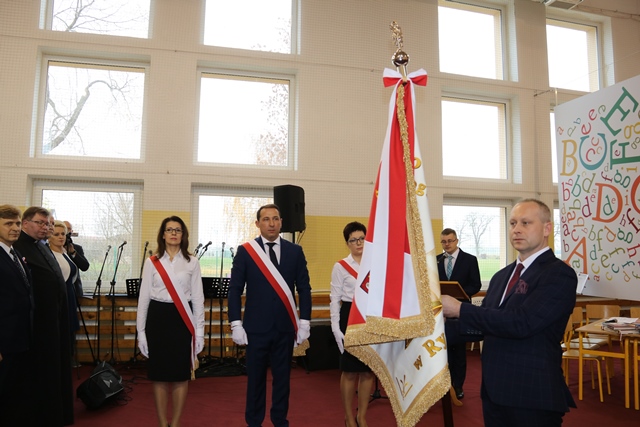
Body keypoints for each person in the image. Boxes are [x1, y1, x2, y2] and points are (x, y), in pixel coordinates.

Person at [441, 199, 577, 427]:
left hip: (531, 394)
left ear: (546, 228)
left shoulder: (558, 274)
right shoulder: (501, 276)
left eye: (526, 223)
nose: (517, 229)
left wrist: (459, 309)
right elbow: (484, 325)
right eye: (513, 223)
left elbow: (522, 323)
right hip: (494, 392)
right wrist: (433, 331)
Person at [228, 203, 312, 427]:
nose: (271, 223)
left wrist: (305, 321)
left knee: (283, 380)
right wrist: (235, 323)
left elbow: (304, 288)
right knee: (255, 380)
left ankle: (279, 421)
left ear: (281, 222)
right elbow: (235, 289)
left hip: (285, 328)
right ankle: (254, 422)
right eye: (266, 219)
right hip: (255, 329)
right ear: (258, 224)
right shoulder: (246, 252)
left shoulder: (295, 251)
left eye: (275, 219)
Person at [136, 216, 205, 427]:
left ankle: (175, 424)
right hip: (158, 318)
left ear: (183, 235)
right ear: (163, 234)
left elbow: (198, 299)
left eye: (178, 230)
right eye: (169, 229)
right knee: (159, 376)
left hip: (182, 320)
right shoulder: (152, 262)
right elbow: (144, 298)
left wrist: (199, 332)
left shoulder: (192, 262)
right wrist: (141, 332)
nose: (173, 233)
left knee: (180, 375)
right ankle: (161, 423)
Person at [13, 206, 74, 426]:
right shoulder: (18, 246)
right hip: (37, 323)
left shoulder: (42, 245)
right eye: (41, 223)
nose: (46, 227)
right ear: (25, 223)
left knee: (57, 366)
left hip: (55, 318)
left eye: (48, 223)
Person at [330, 221, 375, 427]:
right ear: (347, 243)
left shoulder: (375, 264)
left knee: (367, 370)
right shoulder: (340, 266)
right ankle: (349, 417)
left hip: (370, 318)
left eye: (362, 239)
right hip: (349, 316)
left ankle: (362, 417)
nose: (358, 243)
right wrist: (335, 327)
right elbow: (334, 299)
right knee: (349, 371)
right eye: (353, 240)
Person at [436, 228, 481, 399]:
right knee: (442, 350)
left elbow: (476, 284)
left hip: (460, 310)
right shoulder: (436, 260)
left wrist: (459, 294)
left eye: (450, 241)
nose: (447, 244)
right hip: (440, 312)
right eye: (444, 241)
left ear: (457, 241)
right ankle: (443, 386)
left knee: (459, 351)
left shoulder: (469, 260)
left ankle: (458, 385)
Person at [0, 205, 33, 426]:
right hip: (4, 340)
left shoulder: (15, 253)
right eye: (8, 223)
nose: (15, 228)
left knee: (14, 392)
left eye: (18, 223)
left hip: (20, 337)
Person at [48, 220, 80, 362]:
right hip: (58, 297)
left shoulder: (65, 253)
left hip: (69, 294)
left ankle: (67, 362)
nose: (61, 237)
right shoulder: (49, 255)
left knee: (69, 332)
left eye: (63, 234)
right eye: (56, 234)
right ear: (49, 236)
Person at [63, 220, 90, 367]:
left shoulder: (77, 248)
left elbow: (85, 266)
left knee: (72, 325)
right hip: (59, 292)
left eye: (69, 230)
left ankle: (71, 356)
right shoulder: (50, 247)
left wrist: (72, 252)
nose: (66, 233)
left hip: (73, 291)